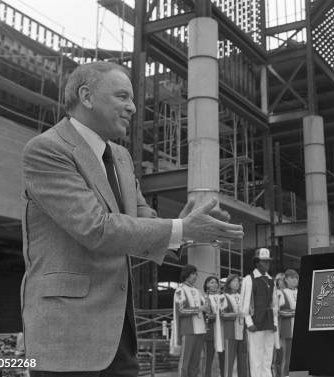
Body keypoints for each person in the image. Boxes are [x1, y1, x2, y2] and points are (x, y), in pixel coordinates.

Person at [21, 61, 244, 376]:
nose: (134, 107)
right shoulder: (47, 150)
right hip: (67, 335)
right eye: (123, 96)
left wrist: (188, 230)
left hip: (120, 338)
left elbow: (141, 219)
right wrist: (179, 228)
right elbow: (96, 228)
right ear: (86, 96)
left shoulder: (121, 157)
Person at [240, 248, 278, 377]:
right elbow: (245, 303)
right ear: (256, 263)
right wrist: (249, 322)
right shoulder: (249, 279)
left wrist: (275, 322)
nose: (267, 264)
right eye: (263, 262)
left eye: (268, 262)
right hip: (255, 320)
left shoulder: (271, 280)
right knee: (256, 355)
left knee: (268, 355)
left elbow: (274, 304)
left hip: (269, 321)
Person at [171, 265, 208, 377]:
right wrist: (198, 309)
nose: (195, 276)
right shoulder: (180, 290)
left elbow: (206, 307)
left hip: (200, 329)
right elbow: (180, 310)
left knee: (195, 362)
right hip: (188, 329)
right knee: (185, 362)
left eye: (196, 274)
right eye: (193, 274)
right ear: (186, 275)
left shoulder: (197, 291)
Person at [221, 274, 247, 377]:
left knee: (242, 360)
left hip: (242, 331)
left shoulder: (242, 296)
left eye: (238, 281)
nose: (237, 283)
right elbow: (222, 314)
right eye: (234, 281)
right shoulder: (223, 296)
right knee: (229, 360)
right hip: (230, 332)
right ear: (228, 283)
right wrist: (236, 314)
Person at [204, 276, 225, 377]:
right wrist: (219, 315)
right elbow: (206, 316)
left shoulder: (222, 297)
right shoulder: (205, 298)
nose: (215, 284)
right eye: (211, 282)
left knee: (223, 358)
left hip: (222, 331)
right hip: (211, 330)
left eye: (216, 282)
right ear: (207, 284)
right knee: (208, 358)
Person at [278, 269, 298, 377]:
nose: (295, 280)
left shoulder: (301, 292)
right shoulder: (281, 293)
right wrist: (295, 313)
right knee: (287, 357)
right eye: (292, 278)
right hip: (287, 331)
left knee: (298, 357)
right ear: (286, 279)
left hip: (299, 331)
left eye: (296, 278)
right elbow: (279, 311)